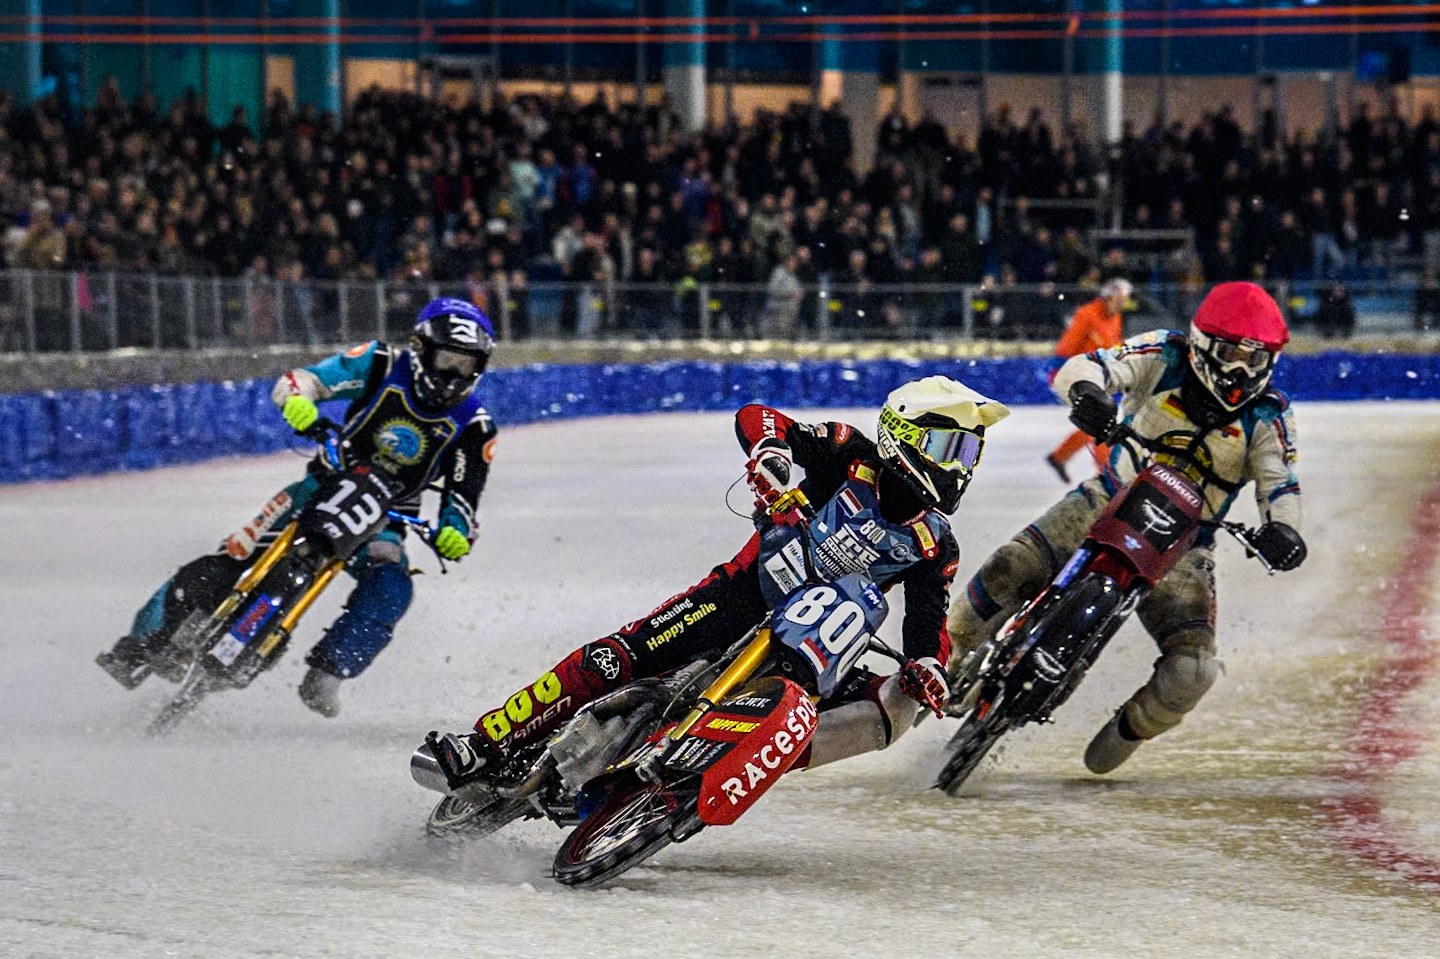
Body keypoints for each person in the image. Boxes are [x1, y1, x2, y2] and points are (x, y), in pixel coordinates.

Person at [430, 376, 1010, 787]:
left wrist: (928, 667)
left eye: (970, 453)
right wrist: (769, 458)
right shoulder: (848, 452)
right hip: (745, 593)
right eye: (951, 447)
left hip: (819, 644)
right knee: (618, 658)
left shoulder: (936, 543)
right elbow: (760, 417)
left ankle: (740, 766)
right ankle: (484, 744)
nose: (960, 466)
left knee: (894, 709)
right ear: (904, 435)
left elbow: (927, 621)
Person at [946, 282, 1306, 775]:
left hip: (1186, 547)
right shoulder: (1165, 353)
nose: (1242, 371)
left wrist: (1284, 530)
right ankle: (948, 656)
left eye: (1255, 359)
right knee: (1009, 567)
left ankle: (1126, 733)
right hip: (1106, 500)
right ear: (1202, 344)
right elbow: (1088, 366)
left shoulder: (1269, 414)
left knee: (1193, 670)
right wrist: (1088, 392)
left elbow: (1280, 482)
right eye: (1230, 354)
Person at [97, 298, 499, 717]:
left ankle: (328, 673)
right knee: (233, 555)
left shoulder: (475, 425)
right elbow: (300, 380)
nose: (454, 374)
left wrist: (454, 531)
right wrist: (299, 401)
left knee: (392, 589)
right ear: (420, 349)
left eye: (466, 365)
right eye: (448, 359)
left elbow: (464, 499)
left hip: (383, 520)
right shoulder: (379, 362)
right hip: (320, 486)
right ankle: (139, 646)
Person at [1045, 277, 1131, 483]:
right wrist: (1057, 372)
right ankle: (1106, 474)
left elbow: (1115, 345)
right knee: (1098, 421)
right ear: (1107, 297)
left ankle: (1059, 457)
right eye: (1118, 300)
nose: (1121, 305)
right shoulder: (1087, 314)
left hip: (1097, 377)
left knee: (1092, 422)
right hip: (1076, 375)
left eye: (1124, 301)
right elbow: (1068, 344)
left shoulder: (1116, 317)